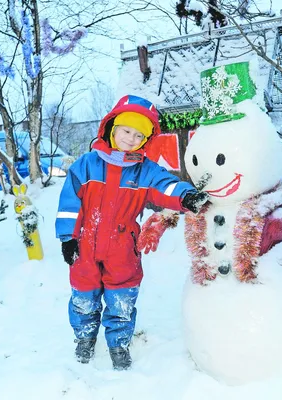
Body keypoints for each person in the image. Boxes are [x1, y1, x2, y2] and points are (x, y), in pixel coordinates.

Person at [55, 94, 209, 370]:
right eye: (126, 130)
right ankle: (84, 338)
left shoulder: (144, 171)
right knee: (83, 297)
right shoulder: (86, 165)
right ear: (112, 127)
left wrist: (185, 197)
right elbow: (69, 203)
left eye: (139, 135)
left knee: (122, 299)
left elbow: (166, 185)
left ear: (146, 140)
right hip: (85, 246)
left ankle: (118, 343)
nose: (130, 138)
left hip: (122, 247)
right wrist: (68, 238)